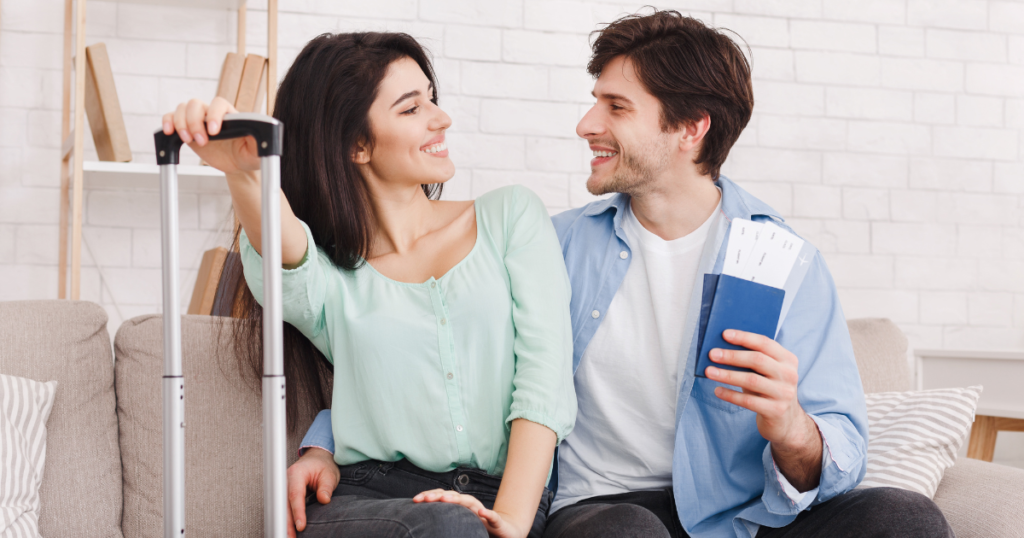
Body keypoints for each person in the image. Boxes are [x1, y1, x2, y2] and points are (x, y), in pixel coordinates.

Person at [292, 10, 958, 538]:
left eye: (615, 106)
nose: (586, 124)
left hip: (740, 518)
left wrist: (789, 426)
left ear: (690, 128)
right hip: (601, 510)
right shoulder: (554, 246)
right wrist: (326, 445)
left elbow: (838, 453)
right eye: (594, 101)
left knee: (905, 519)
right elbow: (439, 351)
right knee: (626, 532)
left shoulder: (787, 265)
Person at [161, 31, 577, 538]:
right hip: (373, 501)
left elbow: (544, 381)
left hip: (503, 496)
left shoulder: (511, 216)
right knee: (450, 527)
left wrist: (509, 519)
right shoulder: (333, 276)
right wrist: (244, 173)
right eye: (411, 108)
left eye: (432, 99)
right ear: (357, 144)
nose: (440, 118)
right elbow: (283, 249)